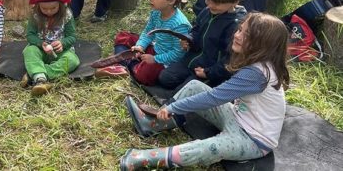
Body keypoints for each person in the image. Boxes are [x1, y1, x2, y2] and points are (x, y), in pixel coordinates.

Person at [120, 12, 290, 169]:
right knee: (195, 87)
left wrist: (172, 107)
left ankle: (147, 158)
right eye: (239, 30)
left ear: (263, 45)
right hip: (237, 116)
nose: (237, 35)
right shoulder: (257, 62)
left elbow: (215, 97)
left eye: (247, 35)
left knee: (209, 148)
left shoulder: (257, 74)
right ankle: (153, 124)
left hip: (253, 140)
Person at [158, 0, 247, 90]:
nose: (210, 5)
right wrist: (189, 40)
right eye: (208, 0)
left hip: (210, 70)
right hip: (192, 60)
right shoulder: (207, 11)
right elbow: (196, 29)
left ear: (235, 2)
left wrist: (209, 72)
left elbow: (230, 59)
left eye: (216, 3)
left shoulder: (235, 25)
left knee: (183, 92)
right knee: (165, 78)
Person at [95, 0, 191, 85]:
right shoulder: (156, 11)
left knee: (145, 75)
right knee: (123, 36)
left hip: (165, 60)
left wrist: (155, 59)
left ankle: (127, 65)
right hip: (155, 47)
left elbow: (178, 54)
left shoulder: (180, 25)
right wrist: (140, 46)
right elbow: (148, 32)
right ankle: (129, 63)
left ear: (171, 1)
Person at [21, 0, 80, 96]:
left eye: (53, 8)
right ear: (38, 6)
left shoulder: (67, 15)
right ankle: (40, 77)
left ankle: (38, 75)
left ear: (60, 4)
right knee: (29, 51)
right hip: (41, 49)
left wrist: (63, 43)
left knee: (73, 60)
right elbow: (30, 35)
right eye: (44, 9)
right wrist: (40, 43)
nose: (49, 11)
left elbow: (72, 36)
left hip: (61, 51)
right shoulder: (35, 15)